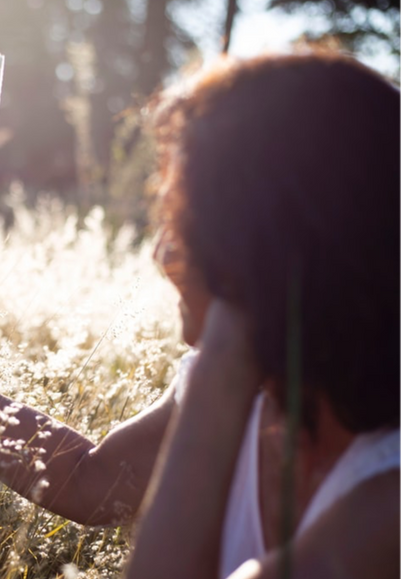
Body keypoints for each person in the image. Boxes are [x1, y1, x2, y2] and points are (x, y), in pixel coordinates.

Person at [125, 51, 401, 578]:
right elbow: (86, 480)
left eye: (187, 222)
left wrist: (226, 354)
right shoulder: (267, 403)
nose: (162, 254)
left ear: (262, 247)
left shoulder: (387, 509)